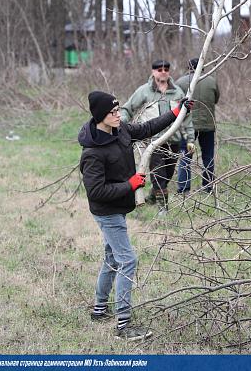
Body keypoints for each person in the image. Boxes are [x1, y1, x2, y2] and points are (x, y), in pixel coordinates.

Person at [78, 90, 193, 341]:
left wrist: (176, 112)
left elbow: (147, 127)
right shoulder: (92, 153)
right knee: (127, 259)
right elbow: (96, 191)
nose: (118, 115)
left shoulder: (121, 130)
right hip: (107, 212)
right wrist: (131, 185)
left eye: (118, 110)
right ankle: (123, 325)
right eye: (112, 112)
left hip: (119, 207)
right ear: (100, 116)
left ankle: (99, 310)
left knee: (112, 257)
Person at [120, 59, 195, 214]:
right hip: (152, 141)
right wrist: (120, 125)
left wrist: (190, 139)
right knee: (159, 175)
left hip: (173, 140)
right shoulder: (143, 91)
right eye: (159, 69)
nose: (163, 72)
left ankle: (153, 197)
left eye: (166, 69)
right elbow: (127, 109)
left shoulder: (178, 93)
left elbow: (186, 116)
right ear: (153, 71)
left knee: (167, 176)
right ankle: (163, 210)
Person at [176, 58, 220, 194]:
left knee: (186, 156)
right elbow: (216, 99)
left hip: (188, 127)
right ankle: (208, 187)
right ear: (203, 67)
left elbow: (177, 104)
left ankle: (184, 188)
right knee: (208, 156)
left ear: (188, 67)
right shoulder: (212, 81)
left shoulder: (181, 82)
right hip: (208, 126)